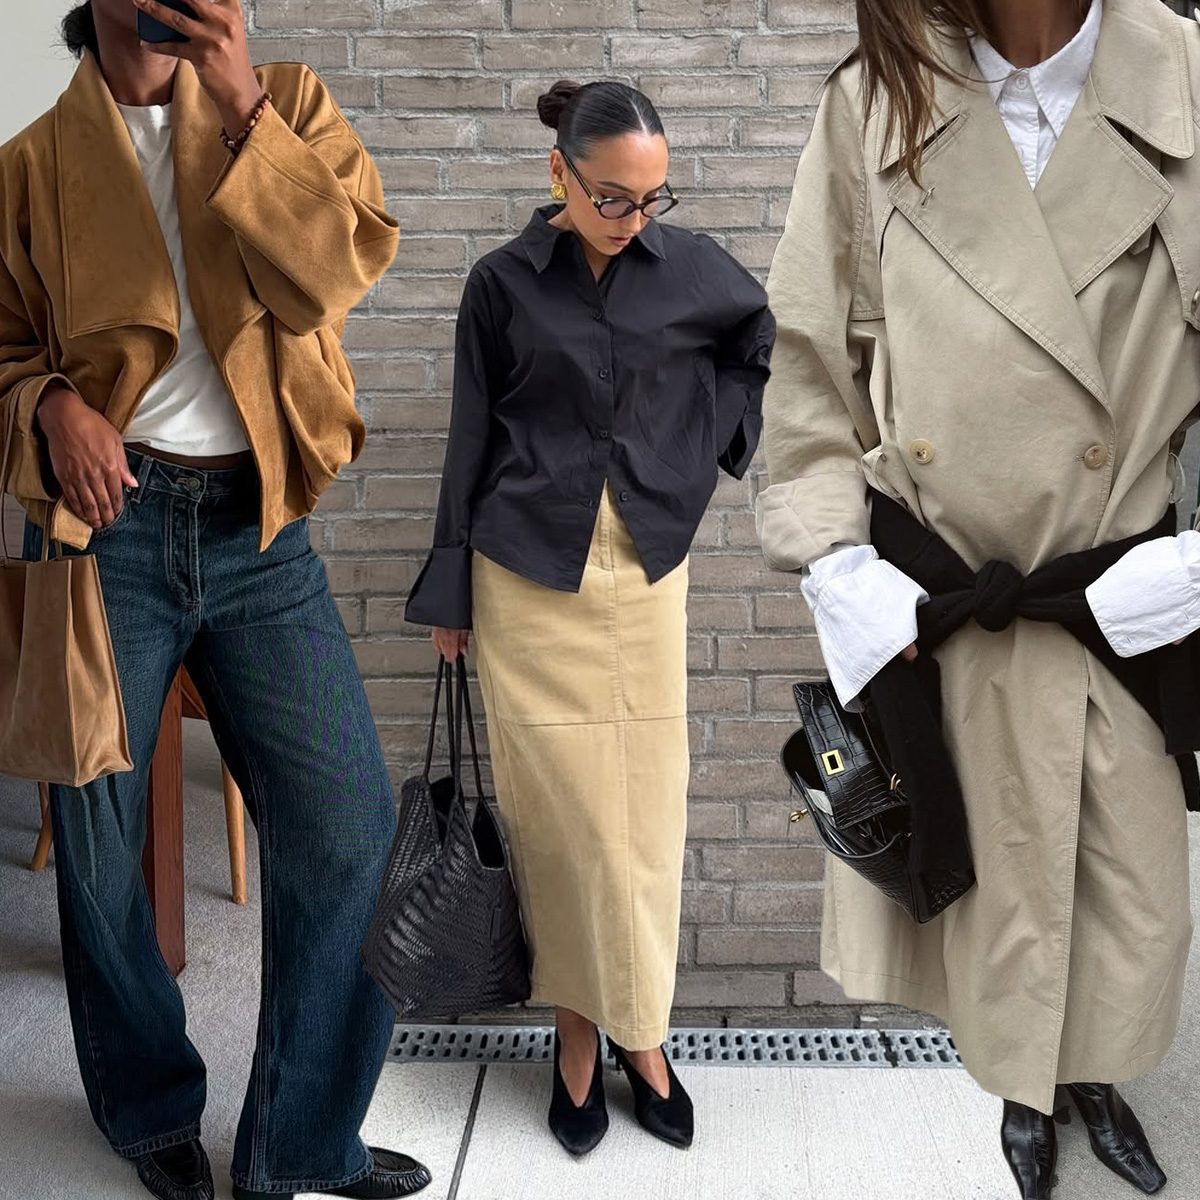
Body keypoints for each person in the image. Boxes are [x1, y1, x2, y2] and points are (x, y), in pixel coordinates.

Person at [756, 0, 1197, 1196]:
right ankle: (1020, 1096)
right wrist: (838, 565)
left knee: (1118, 907)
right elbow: (803, 360)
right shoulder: (872, 103)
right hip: (939, 618)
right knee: (993, 902)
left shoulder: (1189, 82)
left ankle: (1093, 1081)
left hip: (1117, 609)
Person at [0, 3, 431, 1198]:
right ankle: (148, 1110)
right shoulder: (31, 163)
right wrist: (49, 406)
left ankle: (300, 1141)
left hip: (258, 528)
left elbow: (340, 270)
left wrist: (243, 109)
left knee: (349, 826)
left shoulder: (282, 103)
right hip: (106, 535)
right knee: (96, 848)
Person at [404, 78, 775, 1157]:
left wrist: (696, 451)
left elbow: (759, 346)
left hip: (647, 579)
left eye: (652, 199)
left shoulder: (691, 268)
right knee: (561, 830)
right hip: (527, 580)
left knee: (644, 828)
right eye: (614, 197)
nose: (634, 220)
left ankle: (644, 1037)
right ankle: (577, 1038)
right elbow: (470, 437)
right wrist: (450, 594)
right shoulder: (501, 286)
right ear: (558, 172)